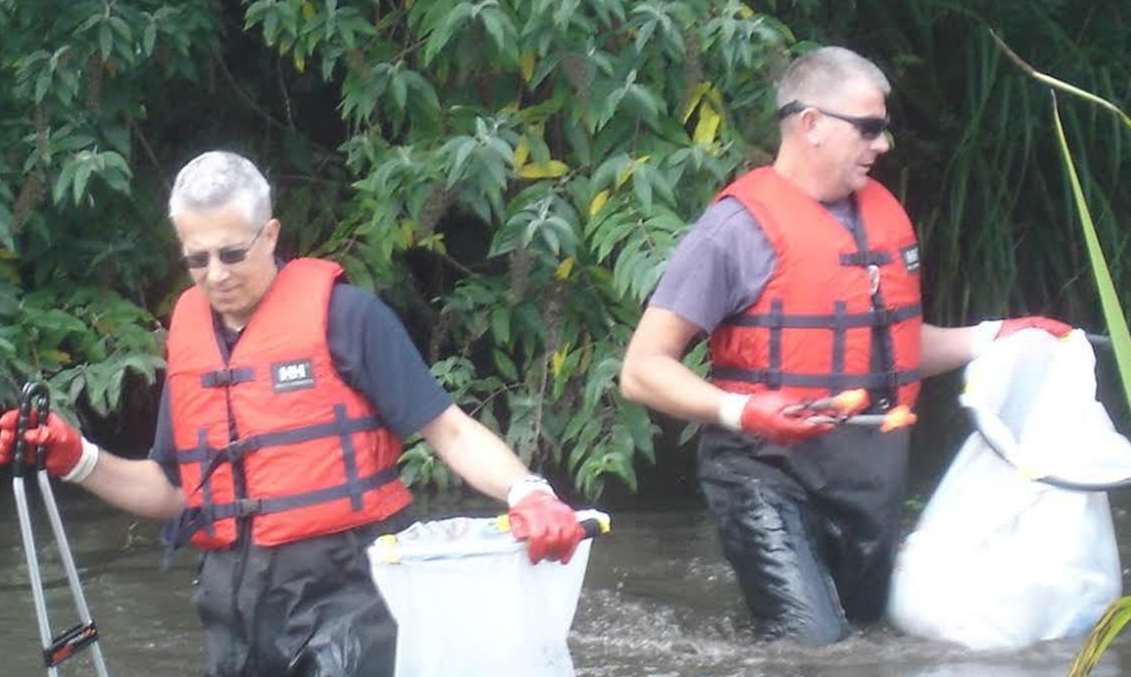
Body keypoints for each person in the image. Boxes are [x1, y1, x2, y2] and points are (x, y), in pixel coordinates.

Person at [0, 150, 585, 676]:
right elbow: (175, 492)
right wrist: (76, 458)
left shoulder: (346, 318)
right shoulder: (190, 342)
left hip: (350, 592)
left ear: (271, 234)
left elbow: (450, 431)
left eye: (232, 252)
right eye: (197, 259)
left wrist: (528, 492)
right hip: (234, 604)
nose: (217, 274)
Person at [618, 46, 1072, 646]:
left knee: (872, 638)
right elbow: (642, 370)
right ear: (811, 124)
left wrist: (993, 336)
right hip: (764, 472)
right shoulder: (734, 230)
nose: (883, 144)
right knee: (815, 644)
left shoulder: (880, 215)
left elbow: (892, 350)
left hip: (868, 476)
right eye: (869, 128)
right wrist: (744, 411)